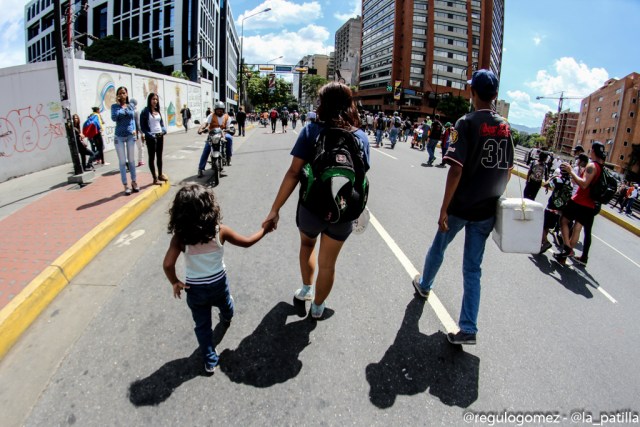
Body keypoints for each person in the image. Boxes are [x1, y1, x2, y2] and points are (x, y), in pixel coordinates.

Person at [412, 69, 513, 345]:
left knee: (439, 248)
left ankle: (424, 285)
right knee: (473, 268)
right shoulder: (505, 127)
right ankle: (468, 327)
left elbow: (455, 169)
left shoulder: (464, 122)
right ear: (494, 96)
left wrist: (444, 208)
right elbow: (508, 170)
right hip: (485, 211)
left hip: (460, 206)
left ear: (473, 93)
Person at [262, 82, 371, 319]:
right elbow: (361, 176)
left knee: (307, 246)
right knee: (328, 264)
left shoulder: (311, 131)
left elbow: (293, 173)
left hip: (311, 208)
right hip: (343, 212)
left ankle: (306, 289)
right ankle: (319, 307)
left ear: (325, 105)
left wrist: (275, 209)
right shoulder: (361, 137)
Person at [163, 183, 272, 373]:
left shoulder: (180, 238)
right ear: (209, 207)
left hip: (194, 289)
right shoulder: (220, 231)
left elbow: (167, 264)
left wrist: (175, 282)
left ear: (179, 214)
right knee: (225, 303)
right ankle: (227, 316)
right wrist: (265, 230)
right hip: (218, 283)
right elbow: (247, 242)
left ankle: (210, 359)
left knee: (202, 325)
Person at [555, 141, 607, 265]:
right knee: (577, 228)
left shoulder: (591, 166)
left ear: (593, 151)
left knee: (563, 221)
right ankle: (564, 256)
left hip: (580, 200)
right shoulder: (601, 167)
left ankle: (567, 248)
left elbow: (584, 184)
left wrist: (571, 171)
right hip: (590, 204)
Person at [111, 86, 139, 195]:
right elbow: (114, 117)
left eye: (124, 93)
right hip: (119, 137)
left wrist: (135, 132)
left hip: (130, 135)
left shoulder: (131, 105)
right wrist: (120, 106)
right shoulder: (114, 106)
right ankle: (125, 184)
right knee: (122, 161)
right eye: (120, 93)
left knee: (132, 160)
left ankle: (134, 181)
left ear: (127, 94)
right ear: (118, 95)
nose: (122, 95)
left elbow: (132, 118)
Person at [539, 166, 573, 254]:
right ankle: (542, 243)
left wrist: (551, 178)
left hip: (551, 206)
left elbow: (546, 184)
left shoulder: (557, 179)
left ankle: (545, 242)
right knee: (550, 226)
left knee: (543, 225)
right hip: (560, 209)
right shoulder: (570, 183)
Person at [197, 101, 234, 176]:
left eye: (221, 109)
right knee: (206, 148)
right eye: (218, 109)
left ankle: (228, 157)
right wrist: (200, 129)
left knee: (229, 138)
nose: (219, 111)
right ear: (215, 110)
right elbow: (205, 123)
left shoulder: (227, 117)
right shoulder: (211, 115)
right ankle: (200, 169)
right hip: (212, 134)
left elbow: (230, 126)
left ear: (223, 110)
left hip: (223, 134)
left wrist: (230, 129)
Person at [140, 92, 168, 185]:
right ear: (149, 100)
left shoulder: (158, 111)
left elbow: (161, 124)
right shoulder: (145, 111)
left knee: (159, 157)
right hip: (151, 137)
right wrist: (149, 135)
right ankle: (155, 178)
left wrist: (164, 130)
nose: (155, 101)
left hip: (160, 136)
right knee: (152, 158)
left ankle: (160, 174)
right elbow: (143, 126)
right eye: (153, 99)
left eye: (156, 99)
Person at [129, 98, 145, 168]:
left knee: (130, 149)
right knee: (140, 147)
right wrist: (142, 133)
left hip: (128, 133)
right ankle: (140, 161)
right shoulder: (136, 111)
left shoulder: (127, 110)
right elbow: (138, 124)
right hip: (135, 132)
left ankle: (129, 163)